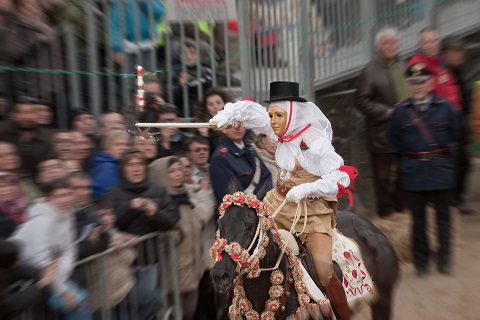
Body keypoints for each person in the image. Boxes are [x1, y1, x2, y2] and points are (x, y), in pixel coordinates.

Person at [210, 81, 351, 320]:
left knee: (324, 271)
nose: (272, 121)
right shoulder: (280, 128)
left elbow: (341, 176)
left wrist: (309, 188)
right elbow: (252, 113)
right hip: (277, 203)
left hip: (311, 211)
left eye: (278, 115)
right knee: (250, 245)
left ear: (292, 114)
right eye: (271, 115)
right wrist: (228, 114)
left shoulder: (314, 141)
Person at [388, 63, 461, 276]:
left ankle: (444, 261)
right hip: (414, 170)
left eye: (421, 82)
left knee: (443, 218)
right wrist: (412, 157)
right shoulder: (401, 112)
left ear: (430, 83)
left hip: (440, 168)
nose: (417, 86)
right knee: (418, 220)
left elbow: (455, 134)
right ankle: (421, 264)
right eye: (413, 83)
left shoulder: (445, 107)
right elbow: (395, 139)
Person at [10, 178, 93, 319]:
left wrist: (63, 272)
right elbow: (39, 259)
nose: (65, 199)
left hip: (52, 276)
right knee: (79, 308)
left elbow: (69, 248)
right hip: (26, 278)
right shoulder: (42, 221)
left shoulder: (67, 215)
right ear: (48, 199)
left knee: (81, 305)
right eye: (59, 196)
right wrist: (62, 290)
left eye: (68, 194)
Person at [149, 156, 214, 320]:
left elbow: (197, 224)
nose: (178, 173)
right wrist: (175, 235)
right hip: (174, 275)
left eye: (179, 169)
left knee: (189, 311)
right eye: (172, 171)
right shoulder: (161, 203)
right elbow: (164, 236)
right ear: (161, 174)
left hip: (191, 269)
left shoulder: (184, 196)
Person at [354, 27, 410, 218]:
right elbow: (360, 100)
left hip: (405, 131)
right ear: (378, 46)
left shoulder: (403, 65)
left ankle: (402, 210)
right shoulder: (370, 70)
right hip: (381, 134)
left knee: (405, 172)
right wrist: (388, 112)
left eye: (393, 42)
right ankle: (387, 214)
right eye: (386, 43)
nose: (390, 46)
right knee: (383, 177)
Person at [105, 149, 179, 290]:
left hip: (150, 260)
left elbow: (172, 220)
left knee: (152, 299)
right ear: (123, 169)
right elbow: (109, 223)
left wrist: (155, 213)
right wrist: (130, 207)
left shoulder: (158, 189)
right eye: (130, 165)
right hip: (123, 262)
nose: (136, 169)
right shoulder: (113, 193)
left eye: (139, 164)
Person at [442, 36, 475, 215]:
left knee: (464, 162)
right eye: (456, 52)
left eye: (461, 51)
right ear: (447, 53)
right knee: (460, 162)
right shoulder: (444, 73)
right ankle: (454, 198)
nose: (460, 55)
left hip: (460, 124)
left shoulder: (458, 72)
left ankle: (456, 197)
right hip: (450, 126)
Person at [210, 121, 272, 204]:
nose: (237, 127)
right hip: (243, 214)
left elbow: (267, 177)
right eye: (232, 123)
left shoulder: (250, 149)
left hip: (263, 209)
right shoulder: (220, 158)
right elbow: (231, 198)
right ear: (224, 128)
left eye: (240, 123)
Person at [0, 239, 60, 319]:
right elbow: (9, 304)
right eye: (16, 260)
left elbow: (21, 269)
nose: (18, 260)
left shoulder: (6, 263)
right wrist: (40, 284)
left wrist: (44, 272)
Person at [408, 28, 462, 111]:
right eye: (426, 42)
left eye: (434, 41)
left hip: (449, 111)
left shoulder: (440, 60)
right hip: (435, 115)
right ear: (419, 45)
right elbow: (423, 97)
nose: (431, 45)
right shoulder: (416, 66)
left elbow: (450, 84)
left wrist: (454, 103)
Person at [0, 97, 55, 177]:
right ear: (13, 115)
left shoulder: (48, 136)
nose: (26, 117)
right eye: (20, 112)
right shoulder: (2, 131)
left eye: (31, 112)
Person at [173, 39, 213, 117]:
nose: (189, 57)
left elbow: (212, 92)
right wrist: (180, 86)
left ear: (198, 55)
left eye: (192, 53)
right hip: (184, 114)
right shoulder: (174, 73)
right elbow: (172, 99)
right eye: (185, 54)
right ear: (179, 56)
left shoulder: (207, 71)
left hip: (204, 113)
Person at [192, 87, 236, 155]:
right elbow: (206, 155)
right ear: (206, 109)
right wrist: (205, 137)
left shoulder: (237, 121)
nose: (215, 107)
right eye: (211, 104)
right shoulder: (201, 127)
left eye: (218, 103)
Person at [90, 130, 129, 199]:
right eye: (118, 145)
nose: (123, 148)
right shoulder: (108, 167)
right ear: (107, 149)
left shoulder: (117, 164)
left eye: (126, 144)